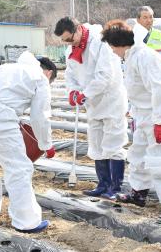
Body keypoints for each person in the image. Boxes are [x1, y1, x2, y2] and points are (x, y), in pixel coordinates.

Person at [101, 19, 161, 222]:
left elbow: (160, 89)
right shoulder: (132, 56)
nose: (112, 51)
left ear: (120, 44)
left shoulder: (144, 57)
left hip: (159, 113)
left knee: (160, 159)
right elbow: (137, 89)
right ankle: (139, 193)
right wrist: (134, 112)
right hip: (144, 113)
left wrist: (160, 121)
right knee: (138, 153)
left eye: (112, 47)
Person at [0, 51, 57, 233]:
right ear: (48, 72)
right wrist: (46, 145)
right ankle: (27, 221)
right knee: (18, 167)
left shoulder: (4, 68)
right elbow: (40, 117)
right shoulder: (40, 77)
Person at [54, 17, 128, 199]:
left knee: (113, 143)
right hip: (93, 104)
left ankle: (115, 187)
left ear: (78, 29)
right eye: (64, 41)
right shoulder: (71, 50)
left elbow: (105, 76)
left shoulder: (101, 43)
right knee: (96, 143)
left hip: (111, 101)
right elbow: (71, 75)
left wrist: (85, 93)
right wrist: (73, 91)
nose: (68, 43)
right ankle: (102, 184)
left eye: (70, 39)